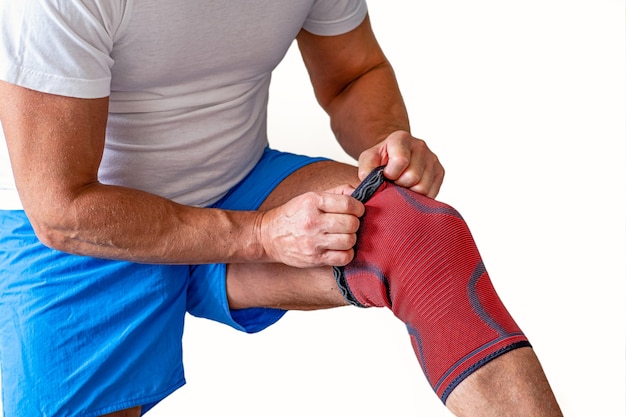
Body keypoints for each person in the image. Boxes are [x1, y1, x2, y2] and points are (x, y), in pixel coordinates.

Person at [0, 1, 563, 416]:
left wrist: (388, 142)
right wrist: (261, 236)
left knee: (416, 236)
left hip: (236, 184)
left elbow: (352, 74)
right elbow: (62, 209)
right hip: (87, 231)